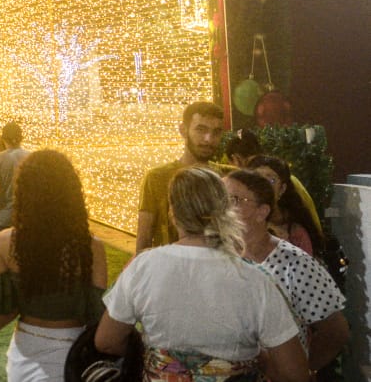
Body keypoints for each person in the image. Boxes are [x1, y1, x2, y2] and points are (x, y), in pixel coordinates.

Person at [96, 167, 308, 382]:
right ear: (224, 212)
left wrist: (158, 359)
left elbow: (106, 340)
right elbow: (295, 373)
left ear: (173, 212)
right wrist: (255, 361)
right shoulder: (254, 278)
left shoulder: (143, 267)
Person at [0, 149, 106, 382]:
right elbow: (97, 319)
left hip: (26, 350)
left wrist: (30, 285)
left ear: (24, 193)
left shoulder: (7, 242)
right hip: (74, 352)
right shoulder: (92, 248)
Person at [225, 170, 349, 374]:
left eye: (234, 199)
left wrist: (302, 370)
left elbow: (335, 332)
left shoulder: (294, 263)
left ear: (261, 212)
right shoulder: (218, 256)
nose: (222, 207)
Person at [135, 100, 226, 252]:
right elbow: (143, 239)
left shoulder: (228, 177)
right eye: (201, 130)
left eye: (216, 132)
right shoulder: (157, 178)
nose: (208, 139)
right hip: (170, 269)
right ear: (183, 130)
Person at [249, 155, 323, 257]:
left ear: (282, 189)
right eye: (256, 179)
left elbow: (302, 269)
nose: (263, 185)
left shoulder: (296, 235)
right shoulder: (239, 221)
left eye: (271, 181)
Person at [0, 120, 29, 251]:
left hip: (3, 217)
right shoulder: (31, 156)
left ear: (3, 139)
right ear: (21, 138)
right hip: (26, 216)